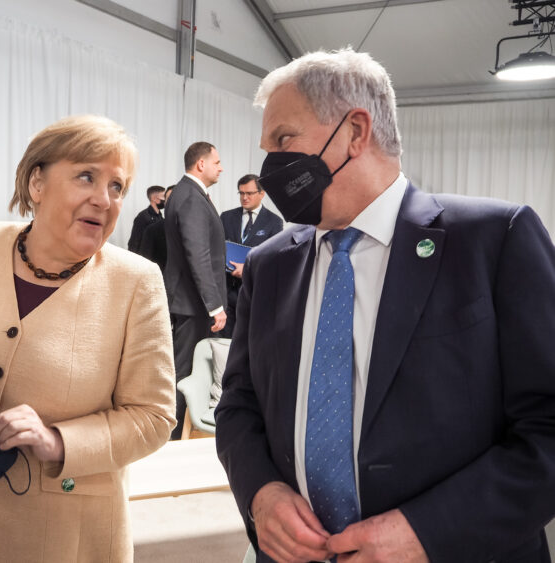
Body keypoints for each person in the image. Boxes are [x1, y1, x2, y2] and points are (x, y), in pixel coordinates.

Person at [215, 48, 555, 563]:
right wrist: (260, 493)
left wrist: (429, 533)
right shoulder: (270, 265)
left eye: (284, 141)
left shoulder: (493, 240)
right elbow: (239, 405)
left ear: (356, 131)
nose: (269, 170)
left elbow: (547, 427)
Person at [0, 115, 176, 563]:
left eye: (117, 186)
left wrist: (58, 441)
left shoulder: (137, 282)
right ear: (37, 183)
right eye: (87, 176)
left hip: (57, 540)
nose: (104, 199)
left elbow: (154, 417)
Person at [164, 142, 226, 439]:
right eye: (216, 161)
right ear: (200, 164)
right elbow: (197, 254)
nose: (221, 167)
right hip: (192, 304)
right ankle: (172, 436)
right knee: (184, 371)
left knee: (187, 370)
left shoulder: (187, 193)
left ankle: (177, 433)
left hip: (189, 301)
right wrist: (214, 305)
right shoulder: (190, 196)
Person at [219, 174, 283, 338]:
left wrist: (247, 270)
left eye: (249, 193)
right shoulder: (226, 217)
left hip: (253, 291)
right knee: (223, 342)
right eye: (241, 193)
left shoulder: (274, 222)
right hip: (226, 291)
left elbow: (274, 259)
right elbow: (217, 249)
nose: (244, 198)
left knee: (247, 341)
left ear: (262, 194)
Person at [139, 184, 174, 271]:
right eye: (165, 198)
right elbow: (135, 244)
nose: (165, 201)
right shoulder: (144, 218)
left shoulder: (159, 216)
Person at [127, 185, 165, 252]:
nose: (165, 199)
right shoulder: (142, 217)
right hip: (145, 258)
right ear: (154, 198)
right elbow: (134, 243)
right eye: (163, 196)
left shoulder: (160, 216)